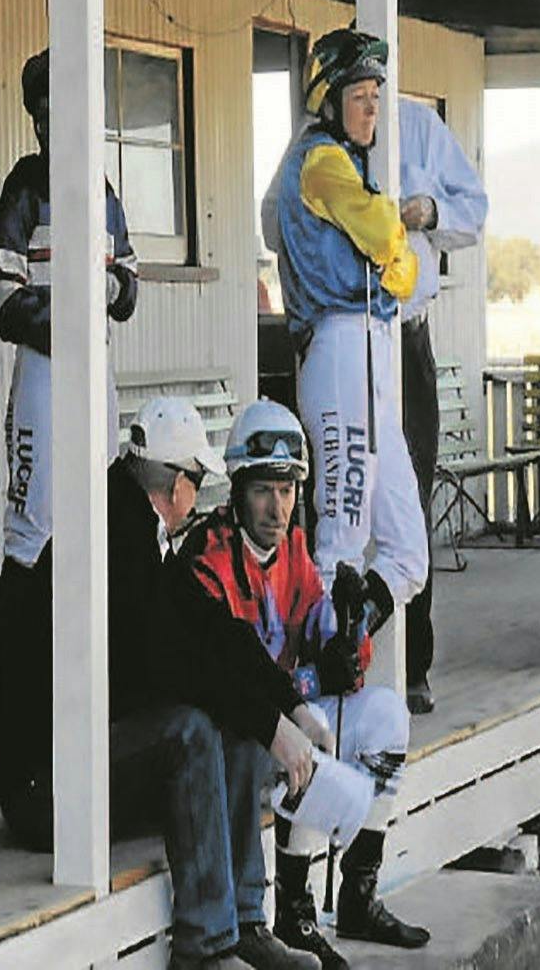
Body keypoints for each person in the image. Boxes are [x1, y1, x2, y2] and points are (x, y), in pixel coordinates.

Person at [167, 400, 428, 969]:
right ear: (237, 489)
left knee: (385, 717)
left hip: (285, 722)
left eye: (287, 490)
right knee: (307, 742)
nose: (277, 506)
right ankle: (294, 910)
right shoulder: (207, 560)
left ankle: (357, 896)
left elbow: (322, 631)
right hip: (238, 739)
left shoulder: (293, 549)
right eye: (264, 489)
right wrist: (309, 679)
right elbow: (240, 682)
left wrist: (348, 631)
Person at [0, 47, 140, 835]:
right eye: (46, 116)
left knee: (102, 534)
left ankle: (89, 739)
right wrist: (71, 315)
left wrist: (97, 297)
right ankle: (16, 760)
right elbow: (7, 299)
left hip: (96, 379)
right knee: (32, 539)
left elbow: (130, 287)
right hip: (46, 377)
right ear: (36, 120)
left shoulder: (103, 191)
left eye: (70, 115)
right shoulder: (24, 188)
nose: (58, 129)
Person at [259, 27, 428, 655]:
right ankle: (310, 682)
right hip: (337, 344)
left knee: (408, 551)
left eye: (375, 96)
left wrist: (394, 256)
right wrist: (392, 250)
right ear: (329, 100)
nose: (370, 108)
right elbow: (389, 238)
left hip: (373, 347)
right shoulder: (321, 159)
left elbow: (404, 273)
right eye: (359, 95)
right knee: (341, 537)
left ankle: (344, 647)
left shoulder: (348, 166)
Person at [387, 94, 488, 714]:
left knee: (412, 499)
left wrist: (429, 211)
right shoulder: (317, 140)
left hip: (406, 336)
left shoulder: (419, 126)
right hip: (343, 337)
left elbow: (473, 212)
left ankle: (412, 664)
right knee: (347, 498)